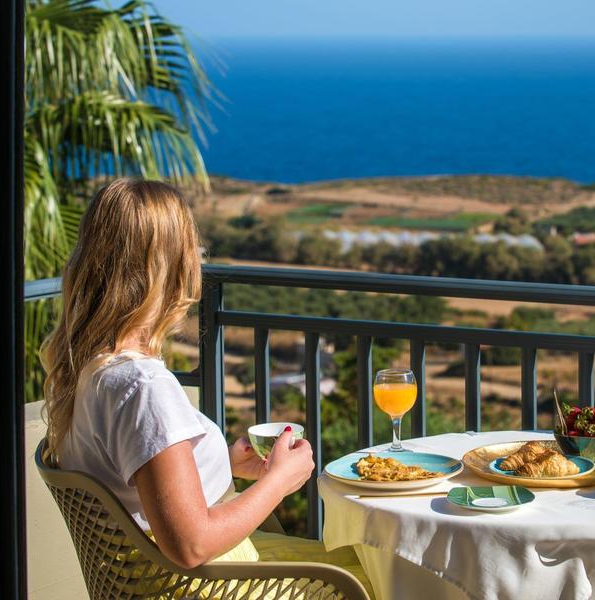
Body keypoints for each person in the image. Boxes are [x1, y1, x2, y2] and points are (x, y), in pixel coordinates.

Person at [40, 179, 371, 594]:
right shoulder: (143, 387)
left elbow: (136, 484)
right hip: (209, 585)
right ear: (171, 268)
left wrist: (222, 465)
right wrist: (278, 483)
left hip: (150, 581)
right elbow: (191, 545)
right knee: (388, 575)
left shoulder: (89, 372)